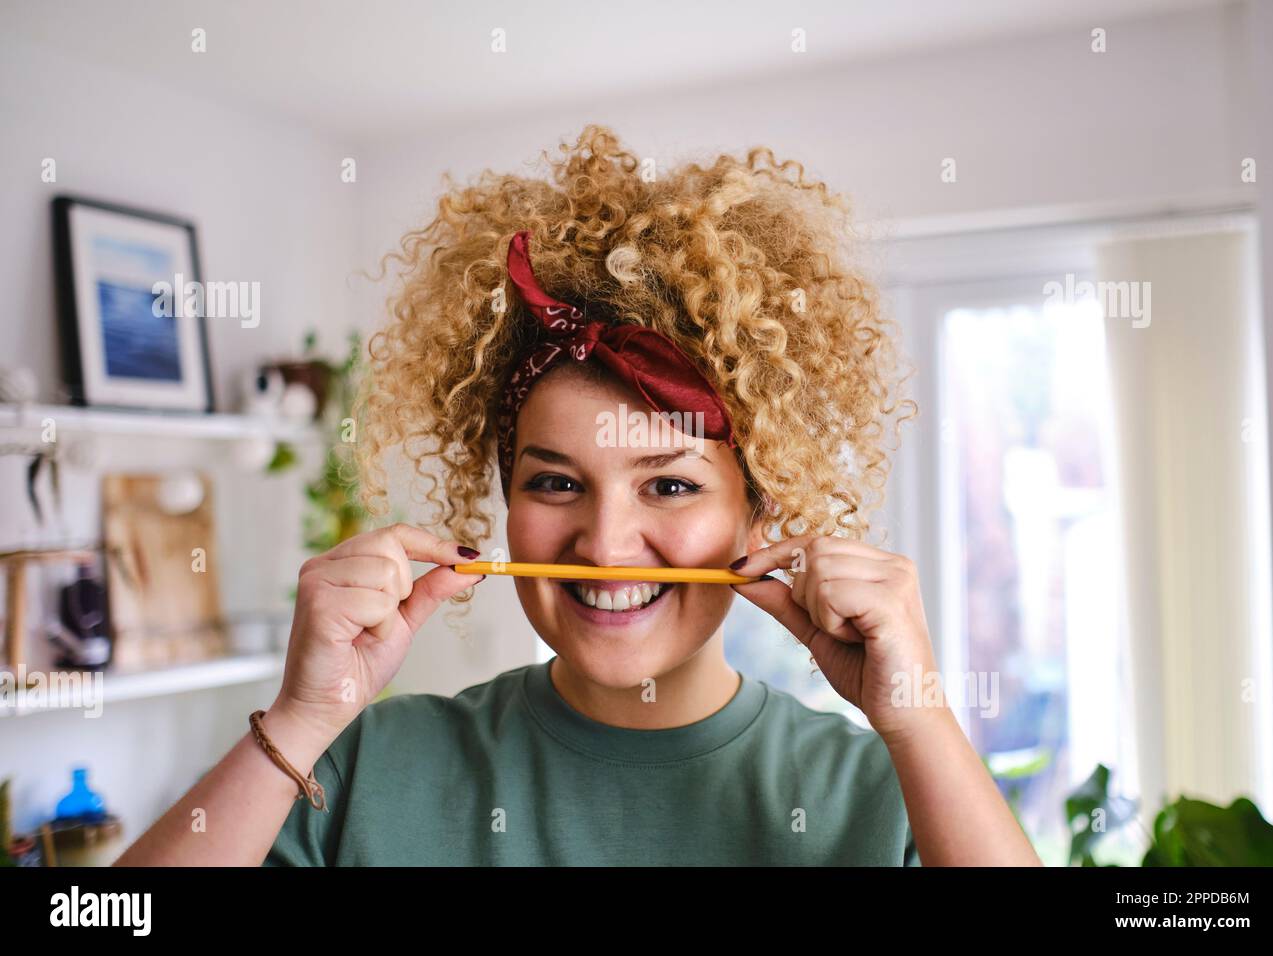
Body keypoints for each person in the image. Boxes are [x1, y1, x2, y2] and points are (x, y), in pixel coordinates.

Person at [115, 125, 1041, 866]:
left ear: (760, 516)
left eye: (670, 485)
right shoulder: (360, 767)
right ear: (504, 498)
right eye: (556, 481)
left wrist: (917, 715)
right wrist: (300, 719)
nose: (605, 542)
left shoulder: (882, 795)